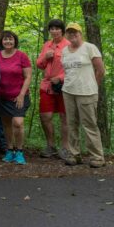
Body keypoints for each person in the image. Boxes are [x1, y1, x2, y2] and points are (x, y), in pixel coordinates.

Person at [61, 23, 106, 168]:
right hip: (68, 91)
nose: (72, 35)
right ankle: (74, 155)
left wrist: (94, 85)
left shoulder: (89, 47)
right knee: (71, 123)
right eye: (69, 33)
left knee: (89, 124)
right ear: (66, 35)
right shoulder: (64, 51)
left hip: (86, 92)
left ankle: (97, 156)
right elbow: (67, 71)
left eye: (75, 32)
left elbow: (100, 70)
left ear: (81, 33)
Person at [0, 31, 32, 165]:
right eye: (5, 39)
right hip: (2, 96)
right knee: (6, 124)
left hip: (19, 97)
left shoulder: (22, 56)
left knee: (18, 123)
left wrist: (22, 94)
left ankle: (20, 151)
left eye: (10, 39)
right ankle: (10, 150)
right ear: (2, 42)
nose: (8, 42)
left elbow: (28, 76)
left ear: (15, 41)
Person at [36, 19, 70, 160]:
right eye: (52, 29)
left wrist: (61, 77)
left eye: (57, 28)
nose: (54, 31)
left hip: (64, 86)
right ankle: (51, 146)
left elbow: (73, 67)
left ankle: (65, 147)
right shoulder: (47, 45)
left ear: (62, 30)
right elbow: (39, 64)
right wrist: (45, 56)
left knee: (64, 117)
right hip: (47, 86)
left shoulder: (68, 46)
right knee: (46, 116)